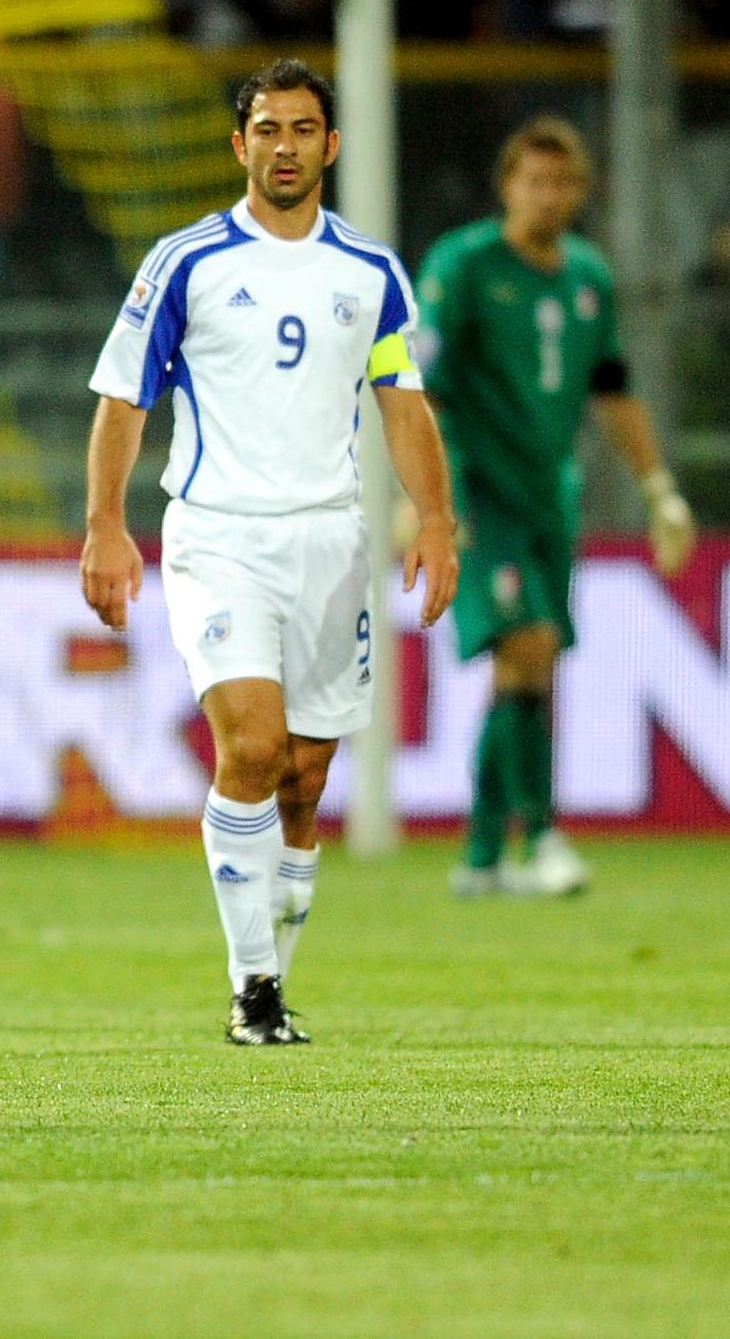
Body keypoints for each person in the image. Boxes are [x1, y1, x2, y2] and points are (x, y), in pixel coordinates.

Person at [80, 59, 459, 1048]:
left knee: (302, 777)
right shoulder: (186, 262)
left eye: (301, 128)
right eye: (266, 127)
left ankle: (274, 969)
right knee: (249, 746)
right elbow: (122, 397)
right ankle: (252, 987)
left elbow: (402, 403)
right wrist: (105, 523)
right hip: (218, 535)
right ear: (236, 144)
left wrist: (436, 517)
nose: (283, 144)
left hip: (331, 541)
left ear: (330, 145)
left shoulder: (368, 271)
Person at [415, 118, 696, 898]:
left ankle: (478, 856)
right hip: (479, 491)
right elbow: (420, 392)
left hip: (549, 497)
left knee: (528, 667)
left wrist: (657, 488)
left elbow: (611, 390)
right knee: (527, 645)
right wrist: (426, 500)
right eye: (532, 180)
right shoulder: (463, 265)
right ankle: (539, 835)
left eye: (561, 182)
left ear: (579, 191)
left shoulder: (586, 277)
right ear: (506, 185)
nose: (546, 196)